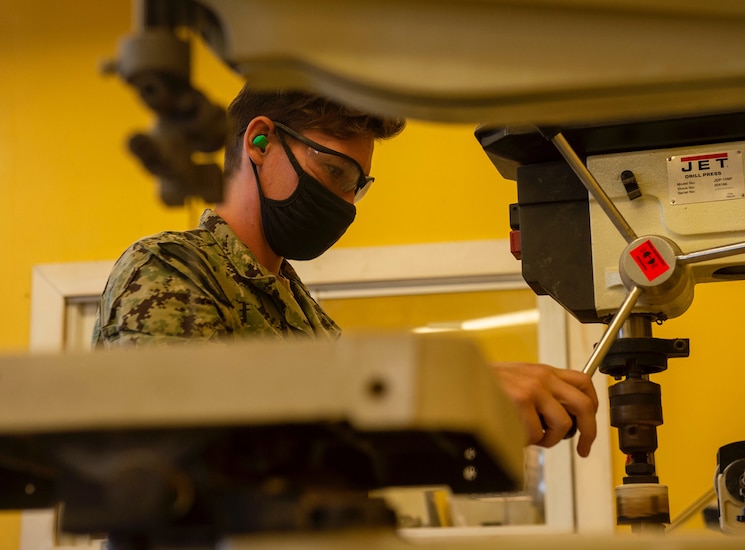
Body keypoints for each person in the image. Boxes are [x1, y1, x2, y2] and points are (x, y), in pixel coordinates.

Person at [93, 86, 598, 456]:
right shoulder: (170, 268)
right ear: (261, 142)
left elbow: (333, 441)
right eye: (333, 172)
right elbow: (174, 440)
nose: (344, 203)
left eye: (357, 185)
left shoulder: (306, 317)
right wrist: (452, 388)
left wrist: (473, 416)